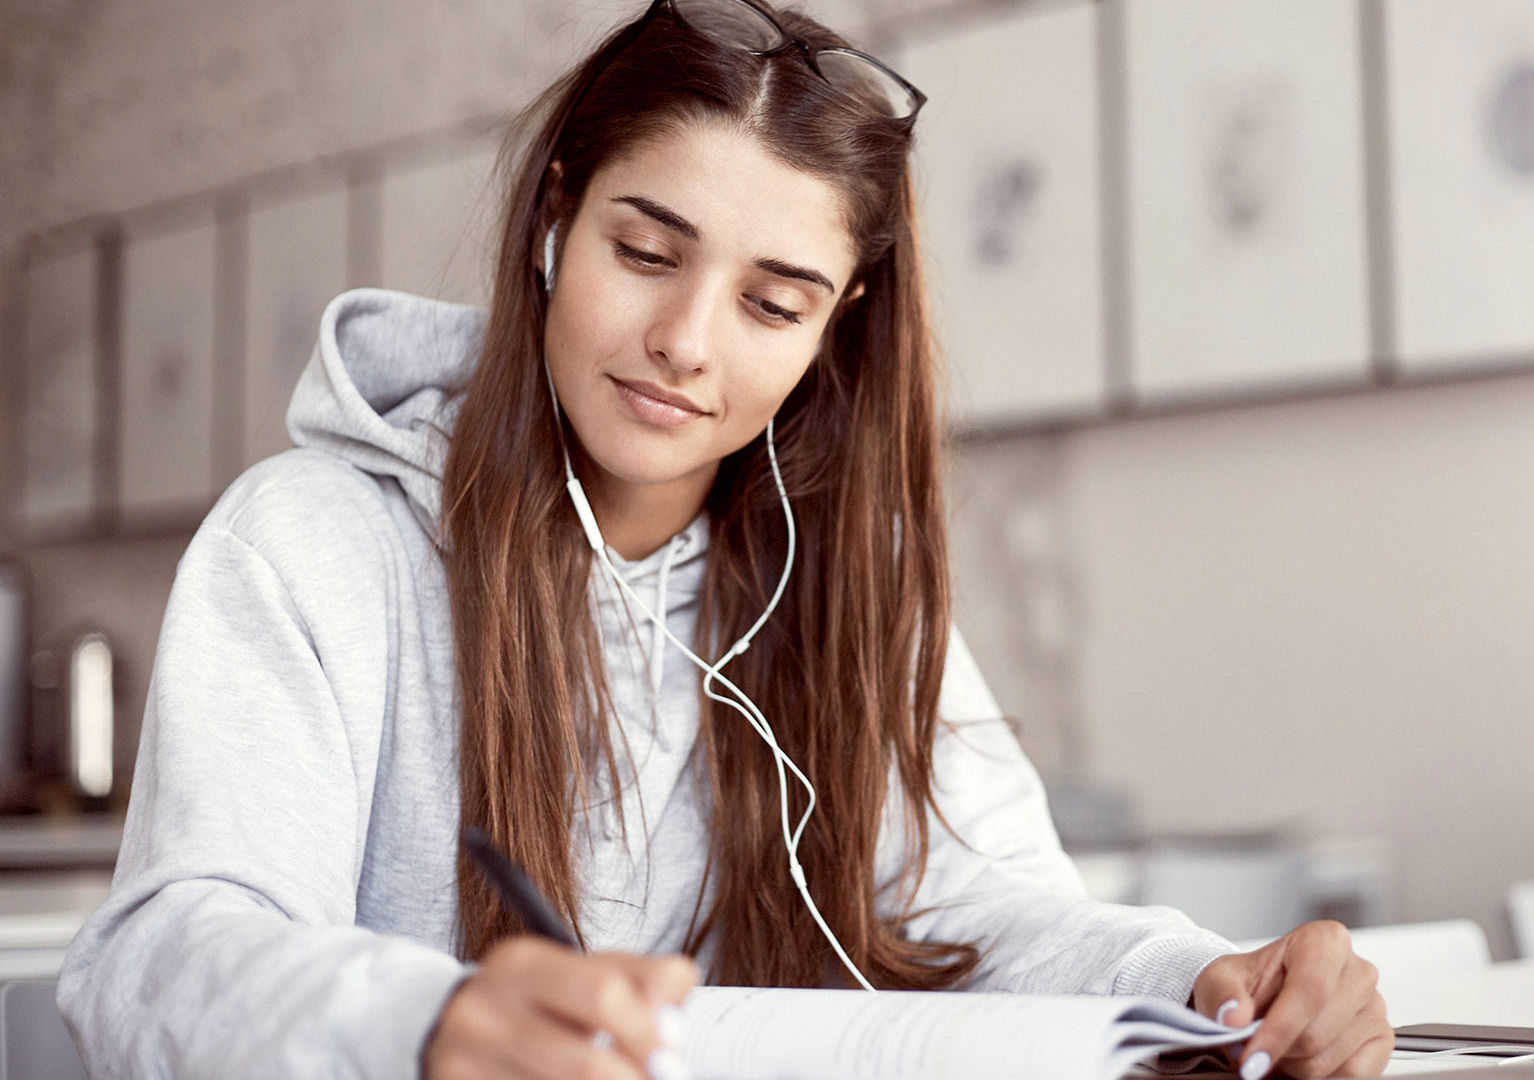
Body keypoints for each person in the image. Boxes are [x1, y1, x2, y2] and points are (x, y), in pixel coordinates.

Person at [55, 1, 1392, 1078]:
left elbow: (965, 913)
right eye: (646, 253)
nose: (686, 344)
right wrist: (428, 1027)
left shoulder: (848, 576)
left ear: (834, 328)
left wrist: (1203, 982)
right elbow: (161, 959)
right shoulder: (310, 543)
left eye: (773, 304)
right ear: (554, 224)